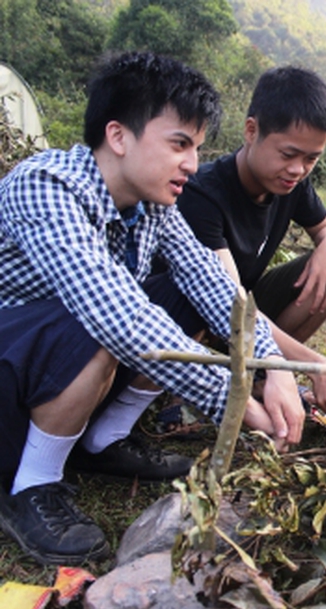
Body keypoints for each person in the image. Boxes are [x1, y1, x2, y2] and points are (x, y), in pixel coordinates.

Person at [0, 51, 307, 565]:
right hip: (12, 370)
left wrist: (272, 366)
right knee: (106, 317)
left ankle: (103, 440)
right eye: (179, 144)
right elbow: (115, 315)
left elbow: (212, 285)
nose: (192, 163)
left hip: (56, 364)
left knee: (187, 293)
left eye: (198, 147)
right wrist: (233, 400)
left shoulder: (152, 206)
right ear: (119, 136)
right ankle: (29, 484)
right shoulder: (46, 186)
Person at [176, 66, 326, 427]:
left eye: (311, 159)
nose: (298, 169)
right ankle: (183, 392)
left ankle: (263, 376)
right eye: (288, 154)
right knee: (198, 308)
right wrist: (315, 366)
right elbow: (228, 303)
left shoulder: (290, 184)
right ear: (252, 131)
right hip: (198, 318)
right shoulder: (203, 194)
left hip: (246, 316)